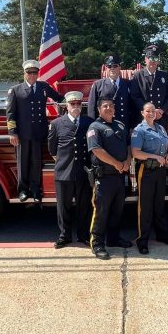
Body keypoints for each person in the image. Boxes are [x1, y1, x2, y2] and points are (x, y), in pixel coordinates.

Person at [6, 59, 64, 203]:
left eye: (35, 72)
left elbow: (59, 98)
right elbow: (10, 113)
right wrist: (12, 132)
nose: (32, 75)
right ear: (24, 73)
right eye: (29, 72)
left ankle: (36, 190)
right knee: (23, 163)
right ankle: (23, 190)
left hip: (39, 133)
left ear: (38, 74)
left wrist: (71, 102)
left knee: (36, 163)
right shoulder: (16, 90)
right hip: (23, 134)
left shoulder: (44, 87)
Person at [86, 98, 133, 260]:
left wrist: (127, 161)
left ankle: (113, 239)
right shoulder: (95, 127)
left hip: (119, 176)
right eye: (105, 106)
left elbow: (128, 146)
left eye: (111, 106)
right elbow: (96, 150)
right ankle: (97, 244)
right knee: (101, 211)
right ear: (99, 109)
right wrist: (117, 163)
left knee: (117, 210)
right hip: (104, 176)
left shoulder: (120, 125)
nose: (109, 108)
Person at [48, 91, 94, 248]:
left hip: (83, 172)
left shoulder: (89, 122)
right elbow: (52, 149)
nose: (75, 106)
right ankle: (64, 236)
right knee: (63, 207)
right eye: (72, 104)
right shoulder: (56, 124)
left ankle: (83, 235)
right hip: (63, 172)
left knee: (84, 206)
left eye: (78, 104)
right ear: (66, 106)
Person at [130, 102, 168, 254]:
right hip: (146, 170)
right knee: (146, 206)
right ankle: (142, 240)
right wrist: (155, 156)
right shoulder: (139, 130)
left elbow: (167, 144)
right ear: (142, 113)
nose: (151, 113)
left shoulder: (161, 128)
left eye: (153, 111)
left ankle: (162, 235)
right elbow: (136, 153)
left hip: (160, 171)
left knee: (159, 204)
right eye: (148, 111)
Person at [130, 44, 168, 129]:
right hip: (144, 118)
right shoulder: (138, 76)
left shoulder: (164, 75)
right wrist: (151, 111)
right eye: (151, 58)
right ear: (145, 59)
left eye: (155, 59)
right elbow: (135, 96)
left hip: (161, 117)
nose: (153, 61)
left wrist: (162, 110)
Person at [88, 54, 132, 130]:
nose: (112, 68)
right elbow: (92, 108)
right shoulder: (98, 85)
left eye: (115, 66)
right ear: (106, 68)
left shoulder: (128, 84)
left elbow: (132, 106)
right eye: (109, 66)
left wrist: (132, 126)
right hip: (104, 126)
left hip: (124, 125)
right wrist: (93, 126)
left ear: (119, 67)